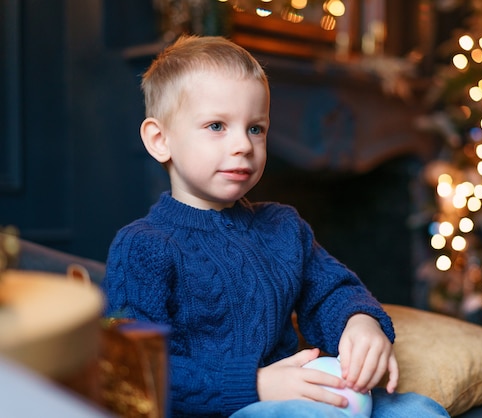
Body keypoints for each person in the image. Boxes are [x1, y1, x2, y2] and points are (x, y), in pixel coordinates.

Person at [101, 34, 449, 418]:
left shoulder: (283, 226)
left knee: (418, 409)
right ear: (159, 139)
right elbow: (137, 368)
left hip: (294, 394)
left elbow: (331, 291)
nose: (243, 145)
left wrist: (360, 323)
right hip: (220, 409)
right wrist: (256, 384)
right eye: (217, 126)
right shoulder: (142, 246)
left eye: (256, 128)